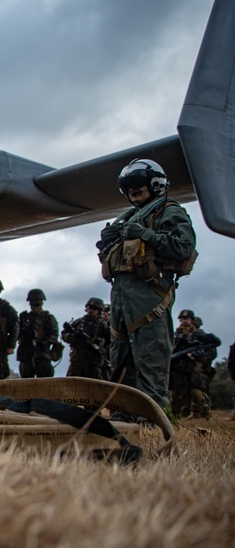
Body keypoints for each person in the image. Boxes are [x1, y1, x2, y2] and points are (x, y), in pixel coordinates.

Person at [98, 158, 197, 409]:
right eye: (128, 185)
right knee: (120, 361)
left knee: (150, 359)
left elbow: (183, 247)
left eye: (137, 183)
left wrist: (144, 234)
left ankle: (154, 423)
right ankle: (123, 416)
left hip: (149, 296)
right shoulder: (129, 217)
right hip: (122, 297)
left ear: (155, 183)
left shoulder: (169, 211)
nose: (132, 189)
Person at [170, 310, 221, 418]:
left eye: (187, 319)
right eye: (183, 319)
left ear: (191, 320)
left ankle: (204, 413)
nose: (184, 321)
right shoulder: (176, 334)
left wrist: (199, 355)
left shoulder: (199, 334)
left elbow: (212, 348)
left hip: (194, 368)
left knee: (195, 391)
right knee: (176, 392)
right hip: (177, 367)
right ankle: (175, 415)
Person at [61, 297, 111, 380]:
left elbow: (110, 342)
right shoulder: (79, 322)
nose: (91, 310)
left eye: (94, 308)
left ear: (99, 311)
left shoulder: (103, 326)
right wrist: (71, 338)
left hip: (94, 363)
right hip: (77, 361)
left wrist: (101, 348)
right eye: (89, 308)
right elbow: (64, 334)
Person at [16, 288, 59, 378]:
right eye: (32, 303)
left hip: (42, 354)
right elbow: (16, 333)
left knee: (44, 383)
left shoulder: (48, 318)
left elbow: (54, 334)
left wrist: (42, 342)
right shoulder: (24, 318)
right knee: (25, 384)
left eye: (37, 304)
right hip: (26, 354)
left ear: (42, 303)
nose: (34, 306)